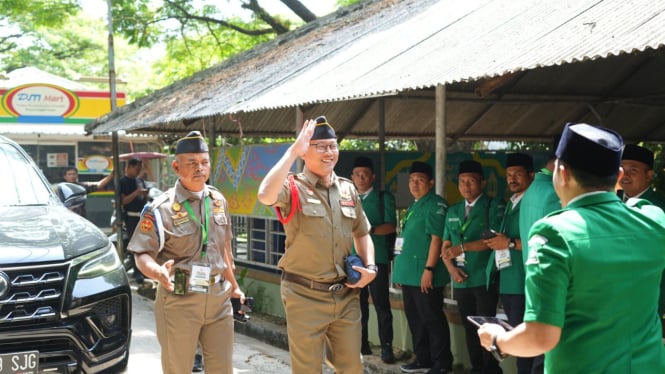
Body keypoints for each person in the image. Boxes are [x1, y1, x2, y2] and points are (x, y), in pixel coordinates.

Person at [477, 123, 665, 373]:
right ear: (619, 177)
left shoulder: (554, 234)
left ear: (561, 173)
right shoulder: (653, 219)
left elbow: (540, 337)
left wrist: (497, 339)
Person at [257, 116, 377, 373]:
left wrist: (370, 267)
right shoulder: (292, 187)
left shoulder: (347, 189)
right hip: (304, 294)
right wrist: (291, 151)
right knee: (308, 369)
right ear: (305, 151)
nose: (328, 152)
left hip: (345, 295)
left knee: (352, 367)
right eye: (320, 146)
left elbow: (362, 232)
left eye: (332, 146)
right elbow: (265, 194)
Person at [127, 130, 244, 374]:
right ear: (176, 167)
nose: (199, 168)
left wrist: (234, 286)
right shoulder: (162, 208)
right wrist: (157, 272)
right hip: (180, 297)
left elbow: (224, 249)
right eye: (191, 163)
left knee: (222, 368)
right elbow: (141, 253)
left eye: (204, 162)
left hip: (218, 298)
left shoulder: (218, 200)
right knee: (178, 368)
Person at [440, 160, 504, 374]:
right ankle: (476, 367)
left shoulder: (493, 206)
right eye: (462, 182)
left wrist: (463, 248)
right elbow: (446, 245)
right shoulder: (453, 210)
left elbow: (493, 240)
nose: (466, 186)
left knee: (488, 326)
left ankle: (491, 369)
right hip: (462, 278)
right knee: (469, 326)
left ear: (483, 183)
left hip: (484, 277)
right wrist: (451, 269)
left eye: (471, 181)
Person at [393, 161, 454, 374]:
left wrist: (428, 270)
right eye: (411, 180)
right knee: (415, 319)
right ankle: (423, 358)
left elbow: (436, 240)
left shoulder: (435, 204)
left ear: (431, 182)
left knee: (432, 318)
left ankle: (442, 362)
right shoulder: (414, 205)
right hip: (409, 274)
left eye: (419, 180)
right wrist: (400, 271)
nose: (414, 184)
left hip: (425, 274)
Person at [484, 152, 534, 374]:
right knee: (518, 336)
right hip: (508, 279)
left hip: (524, 281)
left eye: (518, 174)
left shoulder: (534, 202)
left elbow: (539, 242)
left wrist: (510, 243)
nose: (512, 179)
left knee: (528, 340)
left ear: (531, 176)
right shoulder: (511, 203)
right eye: (509, 175)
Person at [516, 149, 560, 374]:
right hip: (550, 277)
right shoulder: (552, 192)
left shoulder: (532, 189)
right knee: (546, 349)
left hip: (531, 273)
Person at [351, 156, 397, 364]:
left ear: (373, 177)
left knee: (381, 305)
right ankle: (362, 344)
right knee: (358, 305)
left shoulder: (382, 198)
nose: (361, 178)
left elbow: (391, 226)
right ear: (352, 177)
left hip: (376, 259)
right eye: (357, 174)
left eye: (365, 174)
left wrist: (370, 230)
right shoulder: (348, 197)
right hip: (352, 260)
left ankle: (386, 347)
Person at [620, 144, 665, 340]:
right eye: (622, 170)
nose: (625, 176)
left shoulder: (659, 210)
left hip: (649, 298)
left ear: (649, 175)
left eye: (633, 170)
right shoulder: (612, 203)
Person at [120, 157, 149, 282]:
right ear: (129, 167)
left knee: (146, 244)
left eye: (140, 169)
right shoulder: (122, 182)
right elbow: (123, 201)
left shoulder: (141, 180)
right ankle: (137, 272)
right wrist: (136, 193)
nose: (138, 171)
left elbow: (146, 197)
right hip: (131, 217)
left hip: (143, 217)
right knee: (134, 245)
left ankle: (145, 270)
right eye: (136, 169)